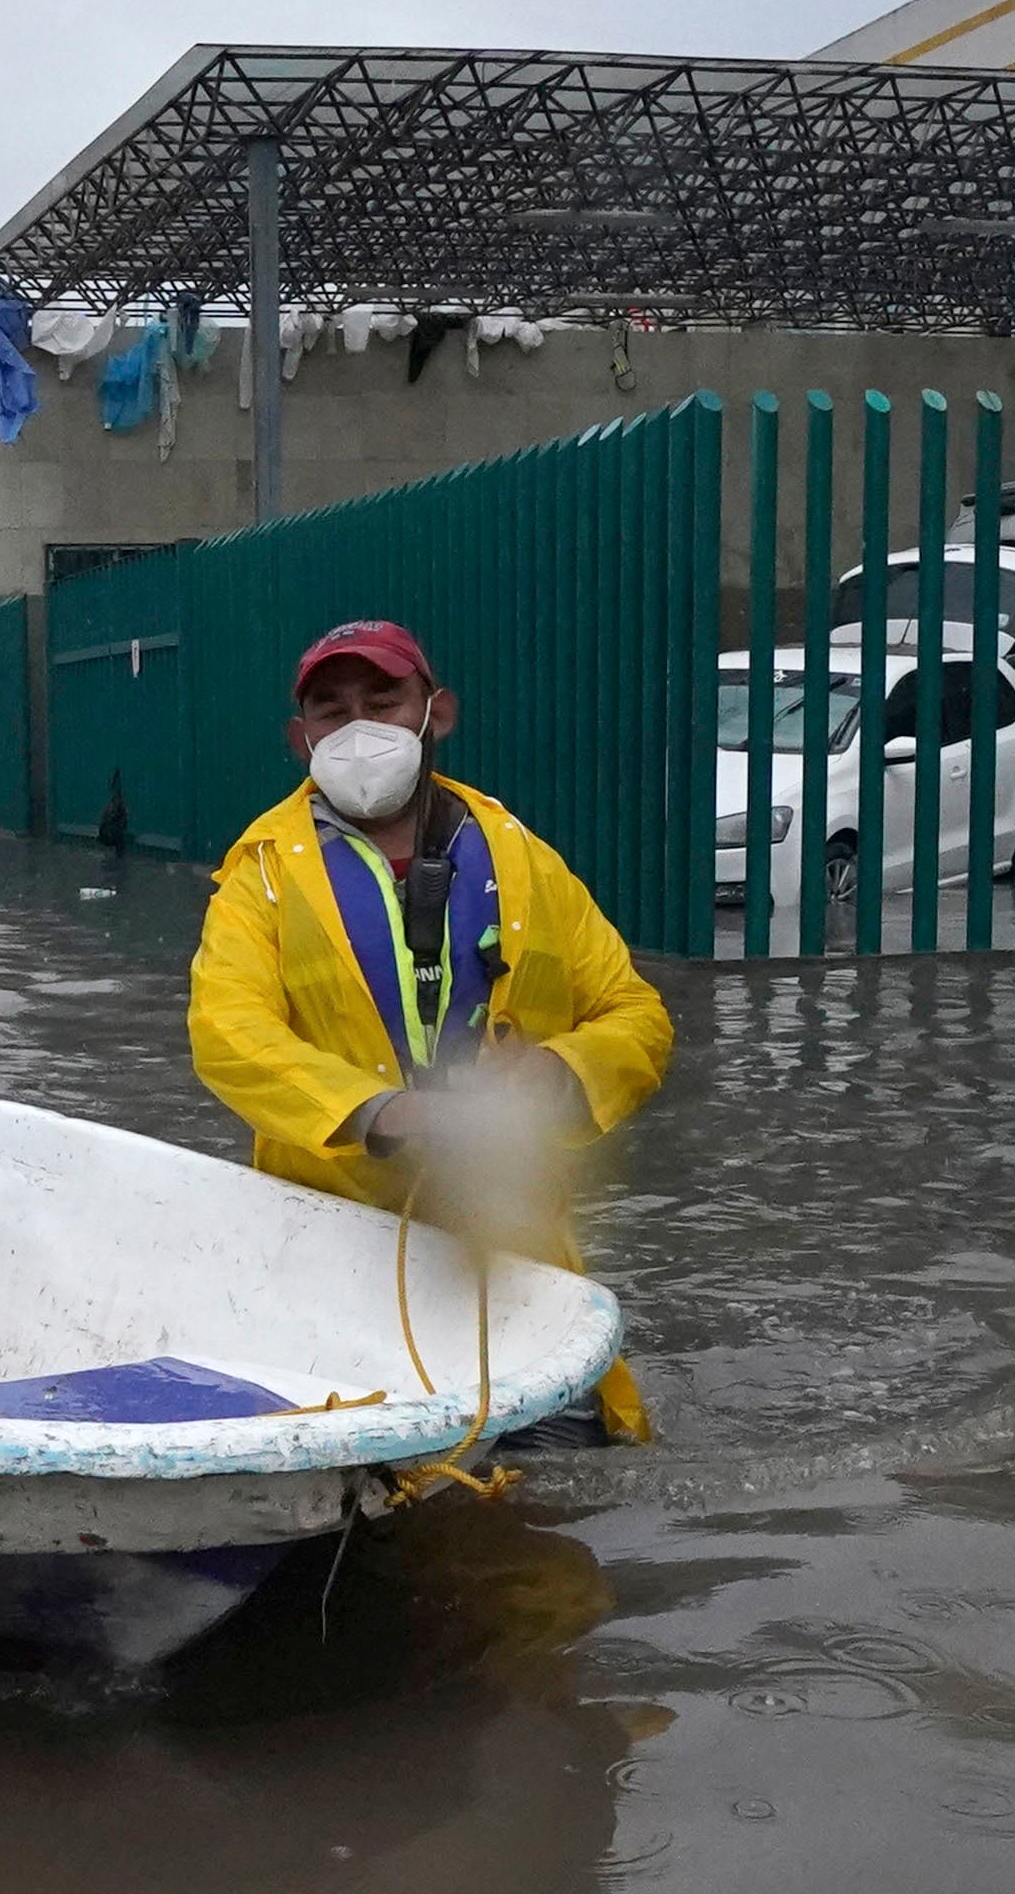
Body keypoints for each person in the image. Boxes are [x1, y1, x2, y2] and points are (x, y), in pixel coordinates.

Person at [186, 617, 670, 1441]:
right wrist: (379, 1113)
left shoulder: (523, 859)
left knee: (551, 1470)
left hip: (503, 1231)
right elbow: (226, 1030)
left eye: (384, 700)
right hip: (331, 1229)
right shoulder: (259, 875)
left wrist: (561, 1069)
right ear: (300, 737)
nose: (359, 727)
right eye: (332, 711)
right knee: (362, 1457)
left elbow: (635, 1012)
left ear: (434, 714)